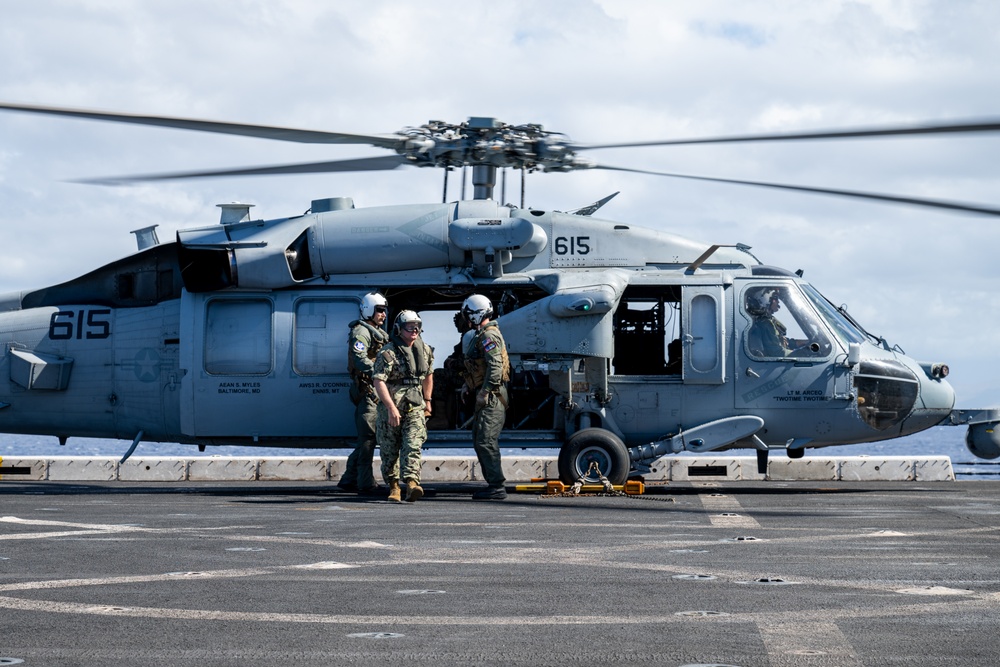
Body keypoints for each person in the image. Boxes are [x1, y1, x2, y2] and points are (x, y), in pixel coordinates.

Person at [372, 310, 435, 502]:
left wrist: (428, 400)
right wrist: (390, 408)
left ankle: (412, 483)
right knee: (390, 448)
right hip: (393, 406)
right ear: (399, 329)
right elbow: (379, 381)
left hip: (415, 404)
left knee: (413, 444)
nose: (414, 330)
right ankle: (393, 486)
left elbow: (428, 375)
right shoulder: (388, 352)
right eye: (410, 327)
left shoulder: (424, 350)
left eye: (417, 326)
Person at [338, 292, 390, 494]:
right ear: (369, 309)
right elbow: (360, 358)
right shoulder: (361, 332)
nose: (383, 315)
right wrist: (380, 373)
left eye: (384, 311)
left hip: (373, 391)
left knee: (368, 439)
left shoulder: (374, 331)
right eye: (380, 310)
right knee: (368, 438)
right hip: (368, 391)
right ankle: (365, 482)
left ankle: (349, 478)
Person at [461, 294, 510, 500]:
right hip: (487, 392)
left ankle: (497, 486)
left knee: (486, 440)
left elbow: (496, 367)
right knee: (479, 439)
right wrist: (468, 384)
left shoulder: (489, 336)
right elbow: (480, 365)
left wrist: (484, 392)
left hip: (492, 395)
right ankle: (493, 483)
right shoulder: (482, 335)